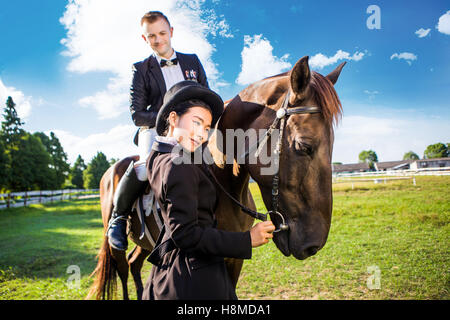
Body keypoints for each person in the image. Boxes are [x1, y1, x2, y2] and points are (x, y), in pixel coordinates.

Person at [141, 81, 276, 300]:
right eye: (196, 123)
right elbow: (185, 235)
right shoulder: (179, 164)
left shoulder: (159, 156)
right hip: (195, 281)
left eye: (206, 128)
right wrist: (246, 239)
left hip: (173, 273)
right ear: (173, 118)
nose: (202, 134)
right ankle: (119, 217)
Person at [107, 11, 209, 251]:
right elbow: (137, 114)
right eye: (151, 36)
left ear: (171, 32)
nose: (158, 39)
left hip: (193, 129)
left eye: (162, 33)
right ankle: (118, 218)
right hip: (154, 129)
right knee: (144, 167)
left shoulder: (192, 61)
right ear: (145, 39)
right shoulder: (141, 69)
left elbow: (206, 95)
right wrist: (170, 120)